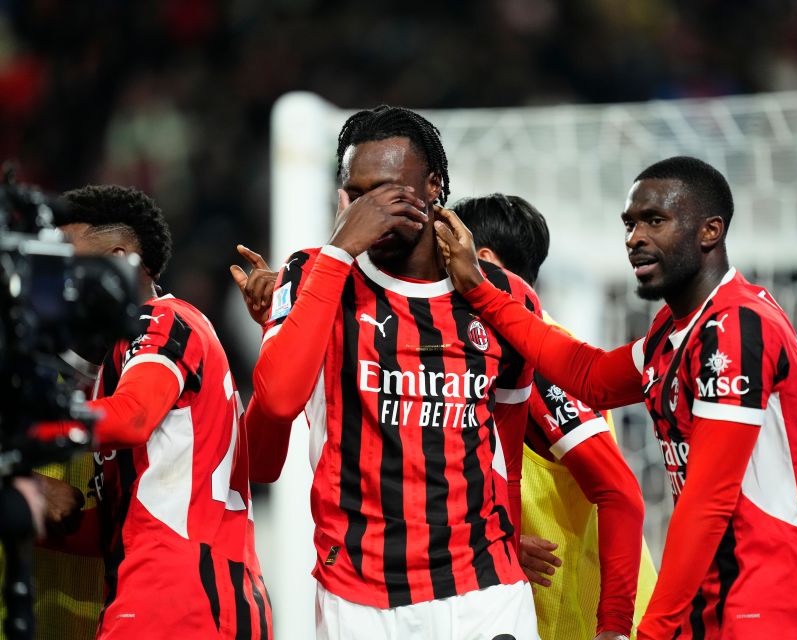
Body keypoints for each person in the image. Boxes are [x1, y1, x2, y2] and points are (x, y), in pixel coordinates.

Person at [434, 157, 797, 639]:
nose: (634, 239)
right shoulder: (672, 334)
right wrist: (483, 291)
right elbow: (589, 375)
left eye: (655, 220)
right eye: (629, 224)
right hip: (709, 607)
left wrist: (641, 630)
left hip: (770, 609)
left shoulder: (737, 329)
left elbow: (708, 501)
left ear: (710, 230)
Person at [240, 105, 543, 640]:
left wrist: (511, 535)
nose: (371, 210)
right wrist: (339, 249)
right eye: (356, 196)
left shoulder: (501, 294)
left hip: (485, 590)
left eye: (388, 192)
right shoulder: (310, 273)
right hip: (361, 597)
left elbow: (508, 447)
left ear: (434, 187)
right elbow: (280, 402)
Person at [51, 185, 272, 638]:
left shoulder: (161, 319)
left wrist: (33, 425)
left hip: (174, 599)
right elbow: (124, 526)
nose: (59, 278)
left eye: (68, 258)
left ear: (118, 257)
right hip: (195, 595)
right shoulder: (119, 360)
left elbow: (132, 417)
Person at [453, 194, 655, 640]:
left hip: (591, 624)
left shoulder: (539, 356)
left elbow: (621, 494)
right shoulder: (484, 351)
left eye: (444, 251)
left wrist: (615, 630)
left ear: (481, 261)